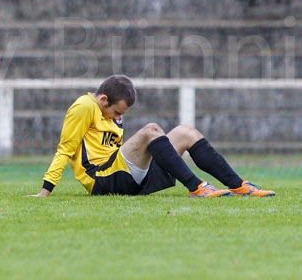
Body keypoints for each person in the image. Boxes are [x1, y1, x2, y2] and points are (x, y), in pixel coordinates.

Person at [31, 75, 274, 198]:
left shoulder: (109, 110)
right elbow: (65, 148)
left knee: (186, 131)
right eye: (116, 112)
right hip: (101, 179)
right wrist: (46, 190)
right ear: (103, 99)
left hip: (123, 174)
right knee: (151, 130)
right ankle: (197, 188)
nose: (116, 117)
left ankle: (239, 186)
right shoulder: (84, 106)